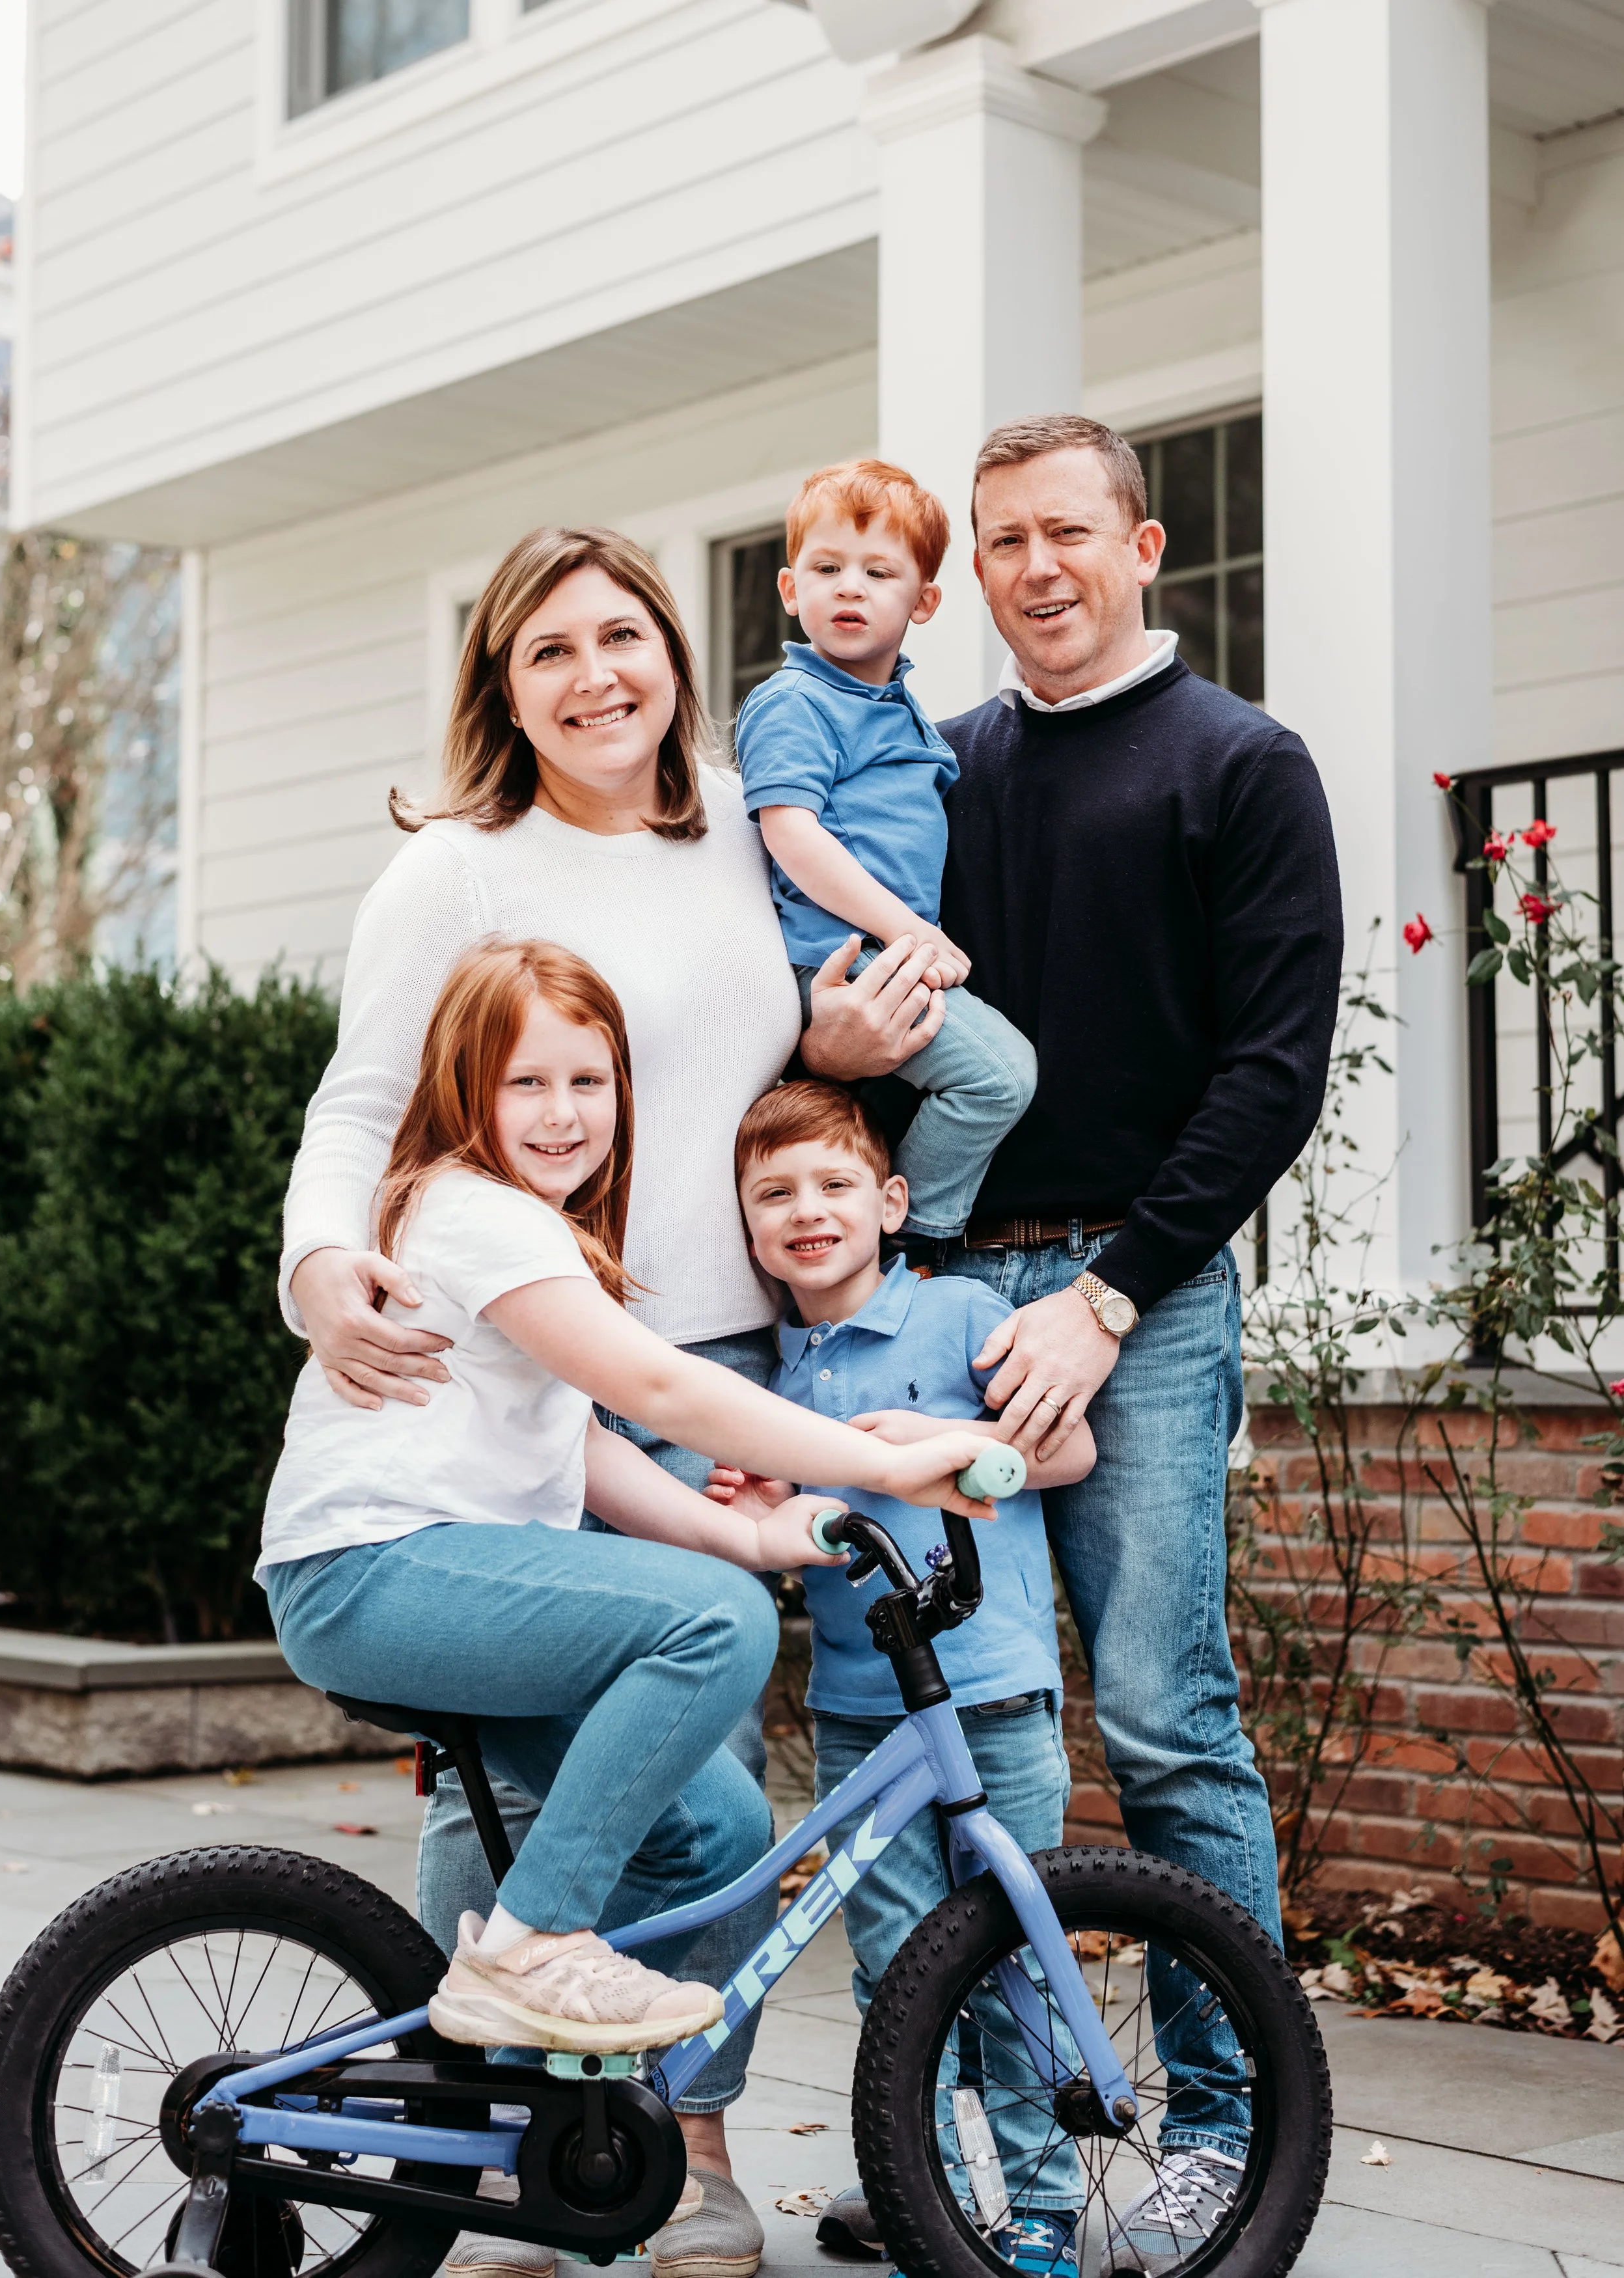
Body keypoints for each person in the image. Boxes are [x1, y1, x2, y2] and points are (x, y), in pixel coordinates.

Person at [274, 523, 957, 2278]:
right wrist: (318, 1267)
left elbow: (770, 1056)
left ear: (673, 647)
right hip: (541, 1356)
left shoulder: (739, 820)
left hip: (719, 1350)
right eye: (549, 652)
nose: (595, 677)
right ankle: (495, 2143)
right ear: (503, 687)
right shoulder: (456, 870)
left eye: (622, 637)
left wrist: (850, 1050)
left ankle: (677, 2158)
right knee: (501, 1784)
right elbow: (368, 1110)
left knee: (705, 1793)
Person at [798, 413, 1342, 2262]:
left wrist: (1110, 1299)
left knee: (1167, 1718)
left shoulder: (1240, 763)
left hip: (1136, 1293)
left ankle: (1223, 2124)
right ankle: (970, 2156)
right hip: (940, 1293)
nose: (1036, 567)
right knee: (937, 1727)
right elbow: (849, 1011)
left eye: (1067, 532)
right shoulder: (939, 767)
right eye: (1006, 539)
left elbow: (1270, 1074)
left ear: (1142, 544)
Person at [260, 938, 992, 2053]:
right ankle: (530, 1949)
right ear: (469, 1091)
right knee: (713, 1623)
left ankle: (554, 2118)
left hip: (425, 1573)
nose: (563, 1113)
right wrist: (879, 1462)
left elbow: (586, 1449)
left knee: (716, 1827)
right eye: (527, 1083)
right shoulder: (473, 1212)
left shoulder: (533, 1231)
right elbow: (654, 1386)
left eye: (587, 1081)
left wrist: (738, 1534)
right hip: (368, 1570)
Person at [708, 1081, 1094, 2273]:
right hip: (860, 1716)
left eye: (832, 1185)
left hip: (992, 1695)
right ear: (747, 1225)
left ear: (890, 1201)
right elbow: (771, 1518)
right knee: (892, 1967)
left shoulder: (965, 1310)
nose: (806, 1211)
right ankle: (914, 2175)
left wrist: (920, 1446)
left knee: (1010, 1954)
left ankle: (1039, 2201)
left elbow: (1068, 1446)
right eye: (774, 1193)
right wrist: (755, 1495)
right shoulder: (763, 1379)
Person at [736, 461, 1035, 1243]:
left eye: (878, 572)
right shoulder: (793, 700)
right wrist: (910, 931)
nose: (849, 588)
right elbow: (790, 832)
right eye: (826, 568)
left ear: (924, 600)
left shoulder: (902, 713)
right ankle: (911, 1238)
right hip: (843, 958)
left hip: (884, 949)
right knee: (998, 1078)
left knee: (865, 1129)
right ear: (789, 588)